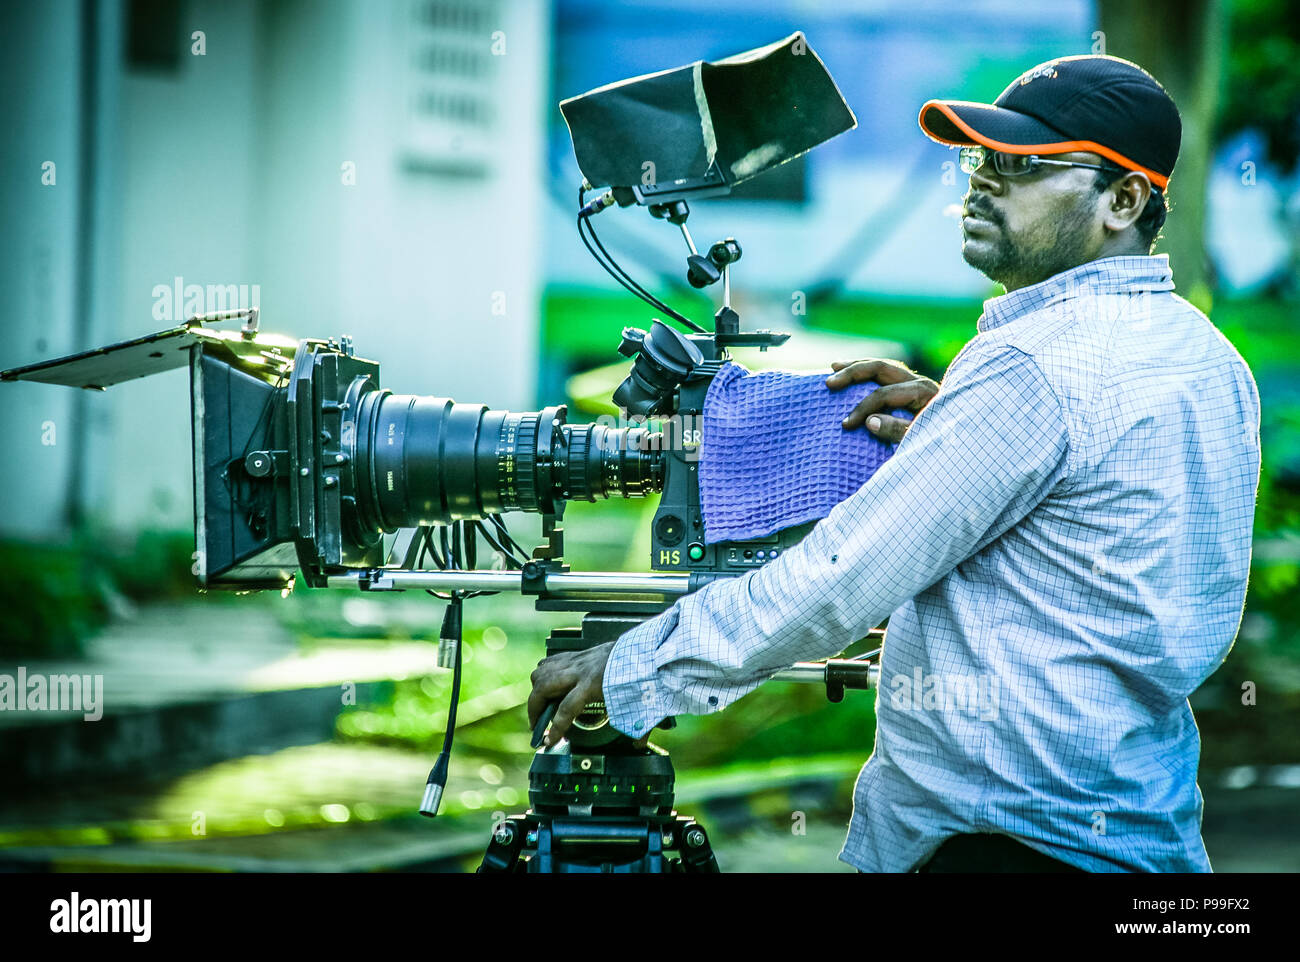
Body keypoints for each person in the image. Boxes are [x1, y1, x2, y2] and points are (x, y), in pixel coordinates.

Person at [528, 55, 1262, 873]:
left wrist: (630, 668)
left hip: (1001, 849)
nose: (982, 182)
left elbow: (838, 581)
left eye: (1020, 166)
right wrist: (957, 423)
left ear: (1123, 200)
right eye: (978, 159)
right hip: (1140, 838)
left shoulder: (1032, 368)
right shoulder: (1206, 359)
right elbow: (1096, 542)